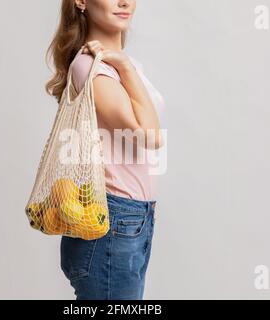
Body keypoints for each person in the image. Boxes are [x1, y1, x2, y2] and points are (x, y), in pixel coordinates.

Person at [45, 0, 166, 300]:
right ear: (82, 2)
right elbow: (150, 136)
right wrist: (123, 66)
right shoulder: (91, 67)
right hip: (113, 220)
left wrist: (125, 65)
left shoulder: (127, 65)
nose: (124, 2)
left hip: (133, 218)